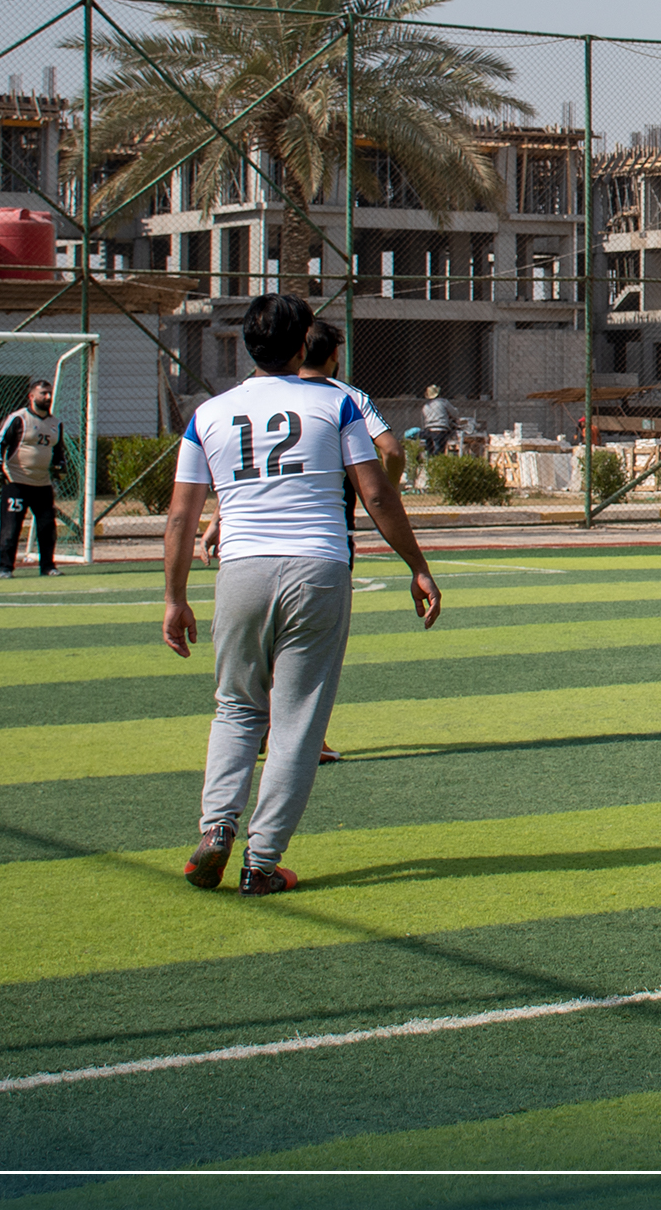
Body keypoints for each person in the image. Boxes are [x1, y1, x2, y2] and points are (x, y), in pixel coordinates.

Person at [166, 293, 441, 897]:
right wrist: (417, 565)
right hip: (318, 567)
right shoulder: (337, 402)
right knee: (296, 721)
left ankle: (216, 828)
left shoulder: (208, 413)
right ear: (303, 345)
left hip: (240, 568)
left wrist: (174, 597)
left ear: (247, 345)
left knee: (236, 707)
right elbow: (376, 493)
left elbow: (182, 517)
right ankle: (261, 863)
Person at [198, 318, 406, 765]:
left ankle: (254, 728)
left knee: (256, 647)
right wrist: (385, 494)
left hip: (247, 546)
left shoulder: (248, 394)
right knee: (305, 640)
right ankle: (302, 735)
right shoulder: (346, 398)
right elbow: (392, 450)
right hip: (322, 538)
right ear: (333, 355)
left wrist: (218, 518)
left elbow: (247, 467)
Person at [0, 378, 69, 578]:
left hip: (42, 484)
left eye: (49, 393)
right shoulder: (19, 418)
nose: (48, 397)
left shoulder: (55, 423)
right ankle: (6, 568)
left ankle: (48, 566)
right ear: (31, 396)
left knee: (47, 527)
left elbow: (58, 451)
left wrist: (60, 466)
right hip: (16, 482)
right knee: (11, 527)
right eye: (43, 393)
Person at [422, 384, 455, 456]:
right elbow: (455, 413)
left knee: (430, 451)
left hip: (428, 429)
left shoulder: (426, 406)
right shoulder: (443, 402)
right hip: (440, 428)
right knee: (439, 451)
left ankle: (430, 458)